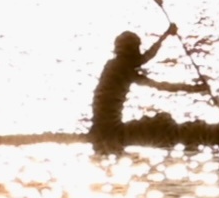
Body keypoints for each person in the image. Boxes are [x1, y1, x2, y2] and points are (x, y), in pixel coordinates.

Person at [89, 23, 208, 153]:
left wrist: (166, 35)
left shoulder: (115, 65)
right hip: (109, 128)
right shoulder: (123, 69)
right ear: (132, 50)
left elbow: (145, 58)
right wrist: (194, 89)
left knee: (160, 120)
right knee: (162, 123)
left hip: (102, 125)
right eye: (137, 48)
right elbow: (161, 86)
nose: (139, 52)